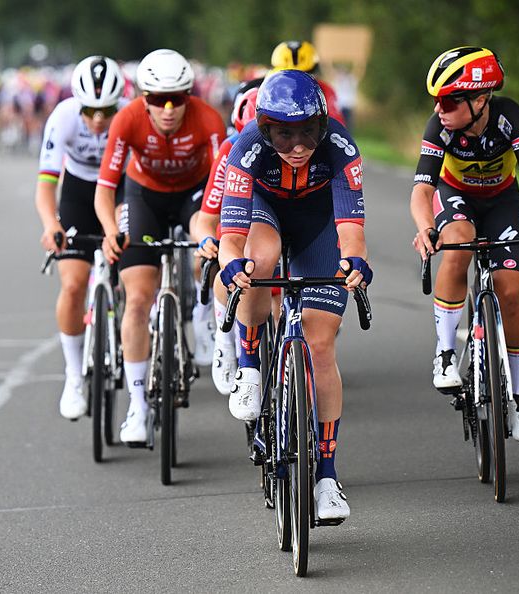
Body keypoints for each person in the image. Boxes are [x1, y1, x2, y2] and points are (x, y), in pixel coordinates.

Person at [218, 69, 371, 521]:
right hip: (266, 214)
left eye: (308, 132)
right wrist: (232, 264)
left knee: (321, 346)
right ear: (265, 128)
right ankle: (248, 367)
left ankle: (326, 476)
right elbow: (231, 234)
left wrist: (355, 262)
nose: (299, 146)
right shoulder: (246, 147)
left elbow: (352, 230)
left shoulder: (341, 147)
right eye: (284, 135)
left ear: (323, 125)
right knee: (257, 260)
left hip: (317, 224)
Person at [410, 46, 519, 442]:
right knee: (457, 243)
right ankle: (444, 353)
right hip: (455, 198)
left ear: (480, 99)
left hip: (502, 201)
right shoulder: (438, 128)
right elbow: (422, 191)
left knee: (511, 293)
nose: (440, 109)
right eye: (437, 101)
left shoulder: (510, 118)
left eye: (450, 100)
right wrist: (425, 228)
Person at [95, 49, 227, 444]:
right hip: (144, 197)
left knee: (207, 250)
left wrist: (216, 232)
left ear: (190, 95)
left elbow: (224, 179)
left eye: (177, 99)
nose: (167, 109)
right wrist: (109, 229)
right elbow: (105, 188)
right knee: (136, 300)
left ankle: (203, 315)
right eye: (156, 99)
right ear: (143, 98)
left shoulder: (207, 119)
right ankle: (138, 405)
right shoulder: (127, 119)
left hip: (195, 194)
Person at [34, 56, 128, 420]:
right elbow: (45, 186)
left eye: (107, 109)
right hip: (76, 192)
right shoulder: (63, 118)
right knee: (72, 285)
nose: (99, 119)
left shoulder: (129, 118)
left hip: (119, 190)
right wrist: (50, 224)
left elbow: (137, 182)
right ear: (78, 103)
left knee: (136, 275)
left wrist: (120, 227)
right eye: (91, 110)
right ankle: (73, 376)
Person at [194, 85, 260, 393]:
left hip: (283, 210)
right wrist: (208, 240)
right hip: (239, 210)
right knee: (233, 258)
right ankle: (224, 338)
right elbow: (208, 215)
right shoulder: (230, 149)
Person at [270, 40, 345, 126]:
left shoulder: (325, 90)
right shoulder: (264, 91)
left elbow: (337, 125)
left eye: (303, 77)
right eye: (288, 78)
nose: (295, 86)